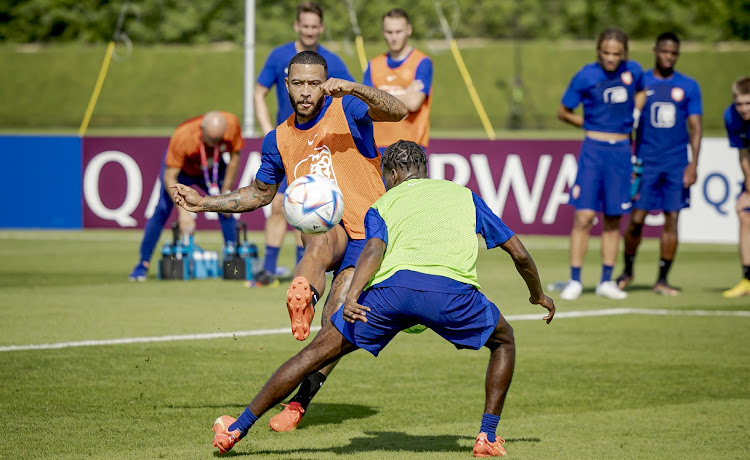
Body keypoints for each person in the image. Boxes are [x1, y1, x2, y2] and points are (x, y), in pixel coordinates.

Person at [207, 140, 556, 457]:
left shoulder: (383, 203)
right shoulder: (465, 195)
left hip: (390, 296)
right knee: (504, 340)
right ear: (424, 169)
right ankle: (487, 437)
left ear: (392, 173)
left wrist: (353, 297)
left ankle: (237, 429)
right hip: (453, 295)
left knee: (312, 354)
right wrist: (537, 294)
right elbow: (519, 253)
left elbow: (374, 249)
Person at [172, 51, 407, 430]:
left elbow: (398, 111)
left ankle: (299, 402)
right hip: (327, 225)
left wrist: (354, 88)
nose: (305, 91)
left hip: (370, 230)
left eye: (314, 83)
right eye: (298, 83)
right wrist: (205, 204)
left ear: (325, 83)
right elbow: (260, 193)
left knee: (336, 323)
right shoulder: (278, 138)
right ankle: (303, 294)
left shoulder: (347, 109)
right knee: (315, 240)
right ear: (287, 85)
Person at [254, 1, 355, 285]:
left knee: (313, 209)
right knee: (277, 206)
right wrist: (266, 130)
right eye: (305, 26)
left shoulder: (332, 61)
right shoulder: (278, 56)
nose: (310, 31)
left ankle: (306, 268)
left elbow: (352, 92)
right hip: (287, 144)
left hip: (319, 146)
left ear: (321, 28)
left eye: (315, 26)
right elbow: (258, 92)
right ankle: (268, 268)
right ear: (297, 26)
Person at [556, 28, 644, 300]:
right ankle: (575, 280)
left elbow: (641, 92)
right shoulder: (586, 75)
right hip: (593, 150)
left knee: (613, 218)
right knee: (583, 216)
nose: (610, 58)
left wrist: (636, 112)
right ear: (598, 51)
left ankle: (606, 280)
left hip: (620, 150)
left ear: (624, 53)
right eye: (606, 52)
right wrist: (589, 124)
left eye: (616, 53)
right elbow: (563, 111)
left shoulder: (635, 72)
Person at [613, 32, 702, 296]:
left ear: (677, 55)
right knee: (636, 220)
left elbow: (695, 127)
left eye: (673, 53)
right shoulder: (643, 82)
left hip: (676, 163)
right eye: (664, 51)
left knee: (672, 218)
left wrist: (693, 164)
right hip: (645, 162)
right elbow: (627, 119)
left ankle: (662, 279)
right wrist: (627, 155)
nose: (668, 56)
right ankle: (628, 270)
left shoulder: (688, 86)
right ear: (655, 51)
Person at [128, 111, 243, 281]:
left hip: (213, 168)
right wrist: (183, 213)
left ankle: (233, 262)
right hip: (181, 173)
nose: (214, 145)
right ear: (202, 130)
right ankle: (142, 264)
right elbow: (169, 176)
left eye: (218, 141)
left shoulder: (231, 124)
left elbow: (235, 157)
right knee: (162, 209)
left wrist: (226, 193)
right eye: (211, 141)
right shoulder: (184, 136)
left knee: (227, 208)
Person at [362, 8, 432, 152]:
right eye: (389, 32)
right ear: (383, 32)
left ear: (409, 30)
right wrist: (406, 93)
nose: (394, 37)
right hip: (377, 144)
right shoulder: (373, 64)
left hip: (412, 146)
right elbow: (366, 102)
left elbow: (414, 103)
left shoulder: (421, 62)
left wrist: (378, 95)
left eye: (398, 32)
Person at [722, 76, 750, 298]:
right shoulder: (731, 117)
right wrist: (749, 189)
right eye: (739, 103)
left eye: (748, 104)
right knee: (744, 211)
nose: (743, 109)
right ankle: (747, 279)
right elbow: (743, 153)